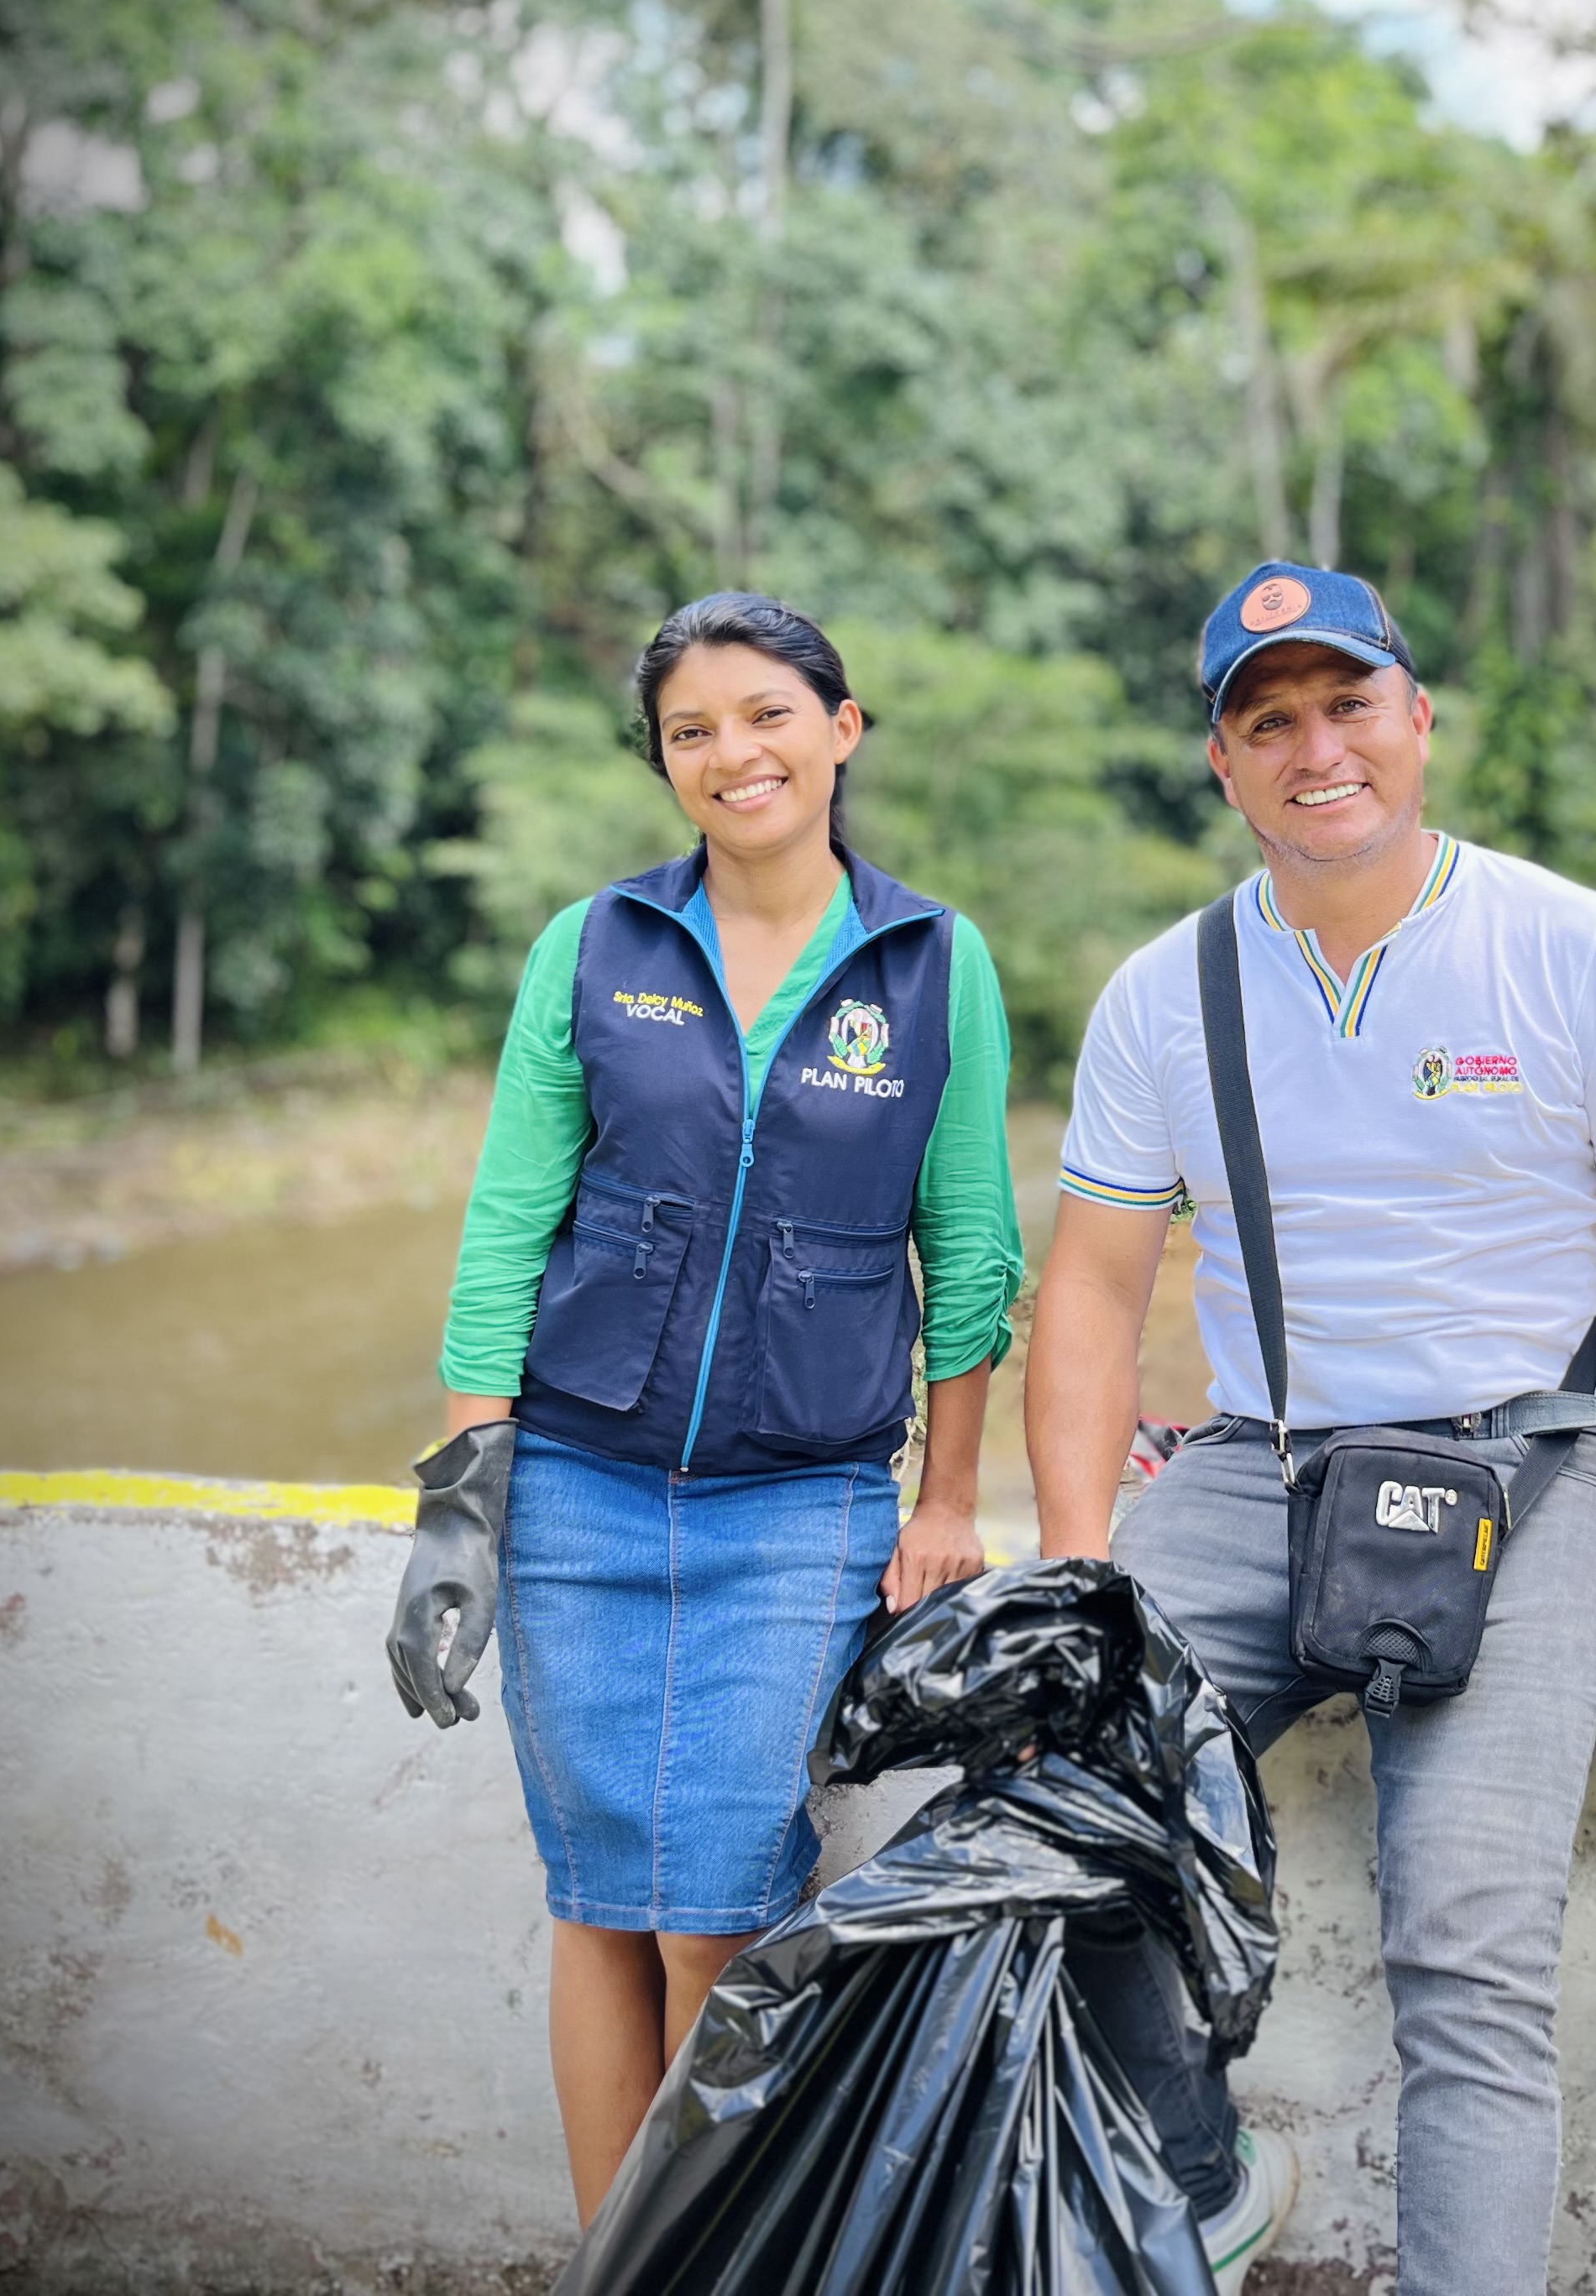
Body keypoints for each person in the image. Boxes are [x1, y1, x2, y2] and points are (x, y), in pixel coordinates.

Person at [1024, 561, 1596, 2296]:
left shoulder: (1570, 948)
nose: (1318, 749)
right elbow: (1095, 1294)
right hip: (1258, 1468)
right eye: (1269, 721)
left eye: (1349, 704)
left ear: (1419, 720)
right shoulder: (1166, 993)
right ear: (1224, 767)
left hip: (1530, 1468)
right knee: (1057, 1816)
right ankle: (1202, 2178)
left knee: (1469, 1956)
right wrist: (1073, 1561)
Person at [384, 592, 1023, 2223]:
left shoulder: (931, 963)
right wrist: (460, 1506)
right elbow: (508, 1225)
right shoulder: (594, 946)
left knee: (719, 1914)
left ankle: (695, 2256)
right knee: (601, 1902)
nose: (733, 752)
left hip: (802, 1505)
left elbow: (971, 1251)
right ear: (664, 762)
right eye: (692, 730)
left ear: (841, 729)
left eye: (766, 714)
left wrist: (950, 1500)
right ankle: (617, 2262)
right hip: (577, 1491)